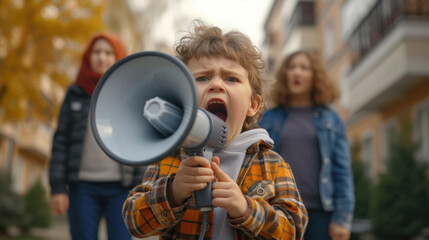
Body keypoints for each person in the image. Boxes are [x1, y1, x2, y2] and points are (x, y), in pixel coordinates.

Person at [122, 21, 308, 240]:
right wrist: (173, 192)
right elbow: (135, 222)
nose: (216, 85)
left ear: (253, 105)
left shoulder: (272, 164)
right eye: (202, 78)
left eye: (231, 78)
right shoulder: (169, 158)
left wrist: (246, 209)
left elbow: (293, 230)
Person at [49, 32, 145, 240]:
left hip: (122, 189)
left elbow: (140, 142)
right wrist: (57, 187)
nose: (102, 57)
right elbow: (61, 141)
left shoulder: (130, 95)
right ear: (88, 56)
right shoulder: (75, 93)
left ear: (118, 57)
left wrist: (140, 188)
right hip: (82, 187)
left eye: (109, 52)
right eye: (97, 52)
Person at [259, 50, 355, 240]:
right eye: (292, 67)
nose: (296, 72)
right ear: (285, 74)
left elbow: (342, 171)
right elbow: (259, 164)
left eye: (304, 67)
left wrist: (342, 219)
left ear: (315, 76)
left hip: (321, 215)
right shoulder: (269, 118)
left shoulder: (331, 119)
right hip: (279, 210)